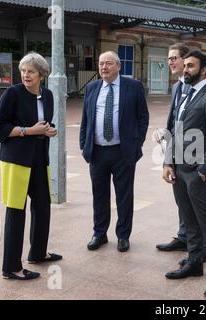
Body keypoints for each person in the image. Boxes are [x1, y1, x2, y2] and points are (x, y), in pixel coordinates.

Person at [162, 49, 206, 297]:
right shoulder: (184, 93)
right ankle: (194, 263)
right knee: (188, 219)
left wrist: (205, 169)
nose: (185, 69)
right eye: (185, 65)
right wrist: (167, 162)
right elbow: (175, 130)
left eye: (190, 66)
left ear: (203, 70)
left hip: (198, 173)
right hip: (179, 170)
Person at [0, 52, 62, 280]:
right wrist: (30, 131)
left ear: (42, 74)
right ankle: (11, 267)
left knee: (42, 206)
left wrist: (49, 130)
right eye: (23, 71)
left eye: (30, 71)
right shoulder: (12, 93)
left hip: (40, 157)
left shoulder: (48, 95)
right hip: (16, 160)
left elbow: (45, 123)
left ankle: (38, 253)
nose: (25, 75)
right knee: (16, 210)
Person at [80, 51, 149, 253]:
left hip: (123, 152)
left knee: (124, 196)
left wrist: (137, 142)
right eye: (101, 64)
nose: (104, 67)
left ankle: (123, 236)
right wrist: (84, 145)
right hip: (98, 153)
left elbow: (143, 117)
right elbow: (86, 119)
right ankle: (99, 234)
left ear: (118, 66)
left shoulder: (133, 87)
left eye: (108, 63)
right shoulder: (92, 88)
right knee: (99, 195)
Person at [155, 43, 206, 265]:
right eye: (168, 59)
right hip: (177, 154)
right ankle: (184, 237)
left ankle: (201, 249)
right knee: (183, 203)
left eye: (174, 58)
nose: (171, 63)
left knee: (197, 207)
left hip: (194, 159)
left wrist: (205, 168)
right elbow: (174, 122)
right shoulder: (177, 87)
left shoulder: (197, 87)